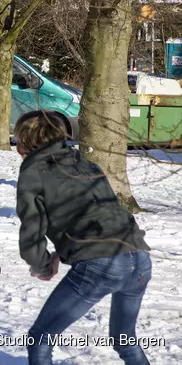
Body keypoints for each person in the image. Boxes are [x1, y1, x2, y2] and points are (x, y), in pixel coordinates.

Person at [14, 110, 152, 365]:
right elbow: (98, 215)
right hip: (138, 256)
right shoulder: (83, 162)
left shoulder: (34, 172)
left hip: (101, 264)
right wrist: (61, 254)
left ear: (26, 140)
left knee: (40, 337)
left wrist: (42, 265)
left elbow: (32, 230)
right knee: (124, 339)